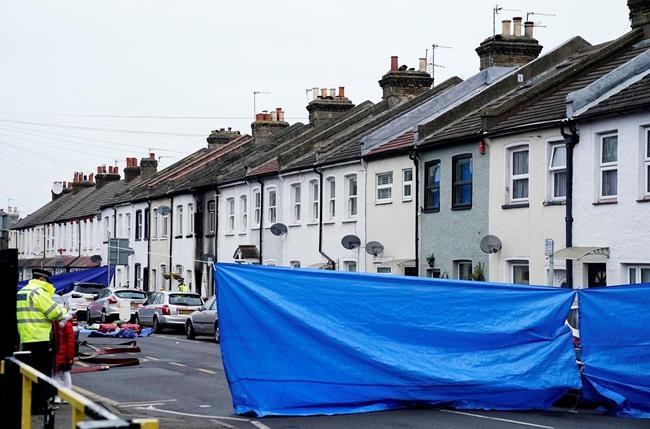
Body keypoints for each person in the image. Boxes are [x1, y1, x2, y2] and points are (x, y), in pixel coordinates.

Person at [16, 268, 71, 411]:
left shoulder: (22, 292)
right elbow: (54, 312)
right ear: (41, 279)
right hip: (41, 338)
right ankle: (41, 405)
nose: (48, 284)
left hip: (26, 337)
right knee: (42, 373)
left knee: (30, 373)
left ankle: (31, 404)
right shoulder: (38, 292)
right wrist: (65, 312)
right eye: (47, 281)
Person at [52, 306, 75, 403]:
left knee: (60, 374)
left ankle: (62, 396)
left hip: (62, 354)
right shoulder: (58, 324)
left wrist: (69, 356)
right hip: (59, 353)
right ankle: (63, 396)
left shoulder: (61, 324)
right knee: (61, 374)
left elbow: (70, 341)